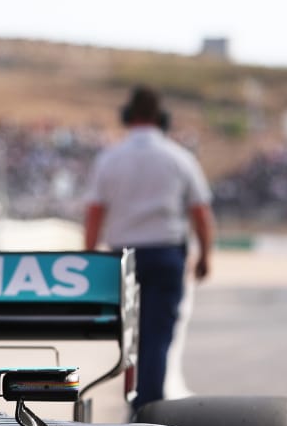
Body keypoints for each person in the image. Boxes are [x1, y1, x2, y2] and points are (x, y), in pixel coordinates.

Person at [82, 86, 214, 407]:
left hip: (123, 259)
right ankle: (148, 406)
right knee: (157, 336)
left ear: (128, 117)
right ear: (163, 119)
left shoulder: (110, 158)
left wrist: (86, 258)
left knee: (130, 335)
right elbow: (200, 212)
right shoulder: (179, 158)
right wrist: (205, 256)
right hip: (166, 255)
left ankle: (138, 400)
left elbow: (95, 212)